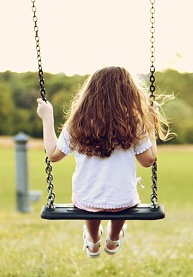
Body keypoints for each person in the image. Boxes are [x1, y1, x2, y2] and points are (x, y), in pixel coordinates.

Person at [36, 66, 172, 258]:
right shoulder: (134, 123)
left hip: (86, 200)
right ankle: (114, 237)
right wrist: (150, 124)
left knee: (90, 205)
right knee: (122, 200)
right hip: (123, 201)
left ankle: (93, 240)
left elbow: (53, 155)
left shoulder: (78, 123)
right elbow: (148, 161)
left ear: (90, 93)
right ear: (129, 95)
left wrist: (47, 118)